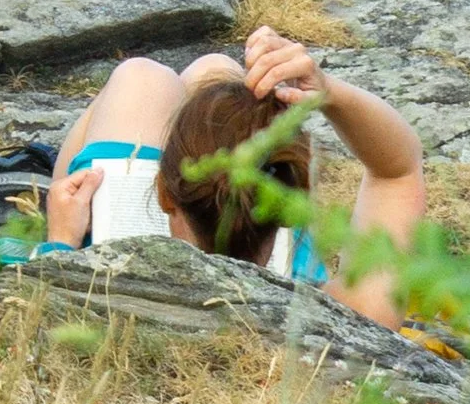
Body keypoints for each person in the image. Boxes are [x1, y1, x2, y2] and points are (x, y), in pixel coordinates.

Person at [44, 27, 425, 330]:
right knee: (215, 71)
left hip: (112, 249)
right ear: (292, 208)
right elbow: (397, 170)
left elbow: (36, 317)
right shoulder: (357, 319)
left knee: (142, 76)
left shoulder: (101, 305)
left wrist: (59, 243)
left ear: (163, 193)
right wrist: (327, 92)